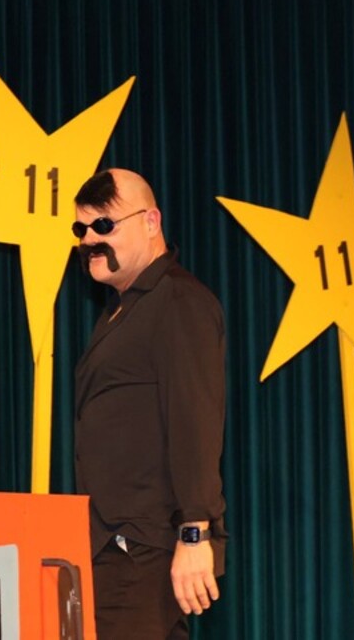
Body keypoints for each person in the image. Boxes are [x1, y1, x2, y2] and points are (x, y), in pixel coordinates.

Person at [72, 168, 227, 639]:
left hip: (143, 545)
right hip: (114, 545)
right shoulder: (122, 310)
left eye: (104, 225)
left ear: (151, 221)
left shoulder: (177, 300)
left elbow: (195, 421)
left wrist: (195, 533)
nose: (89, 240)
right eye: (81, 228)